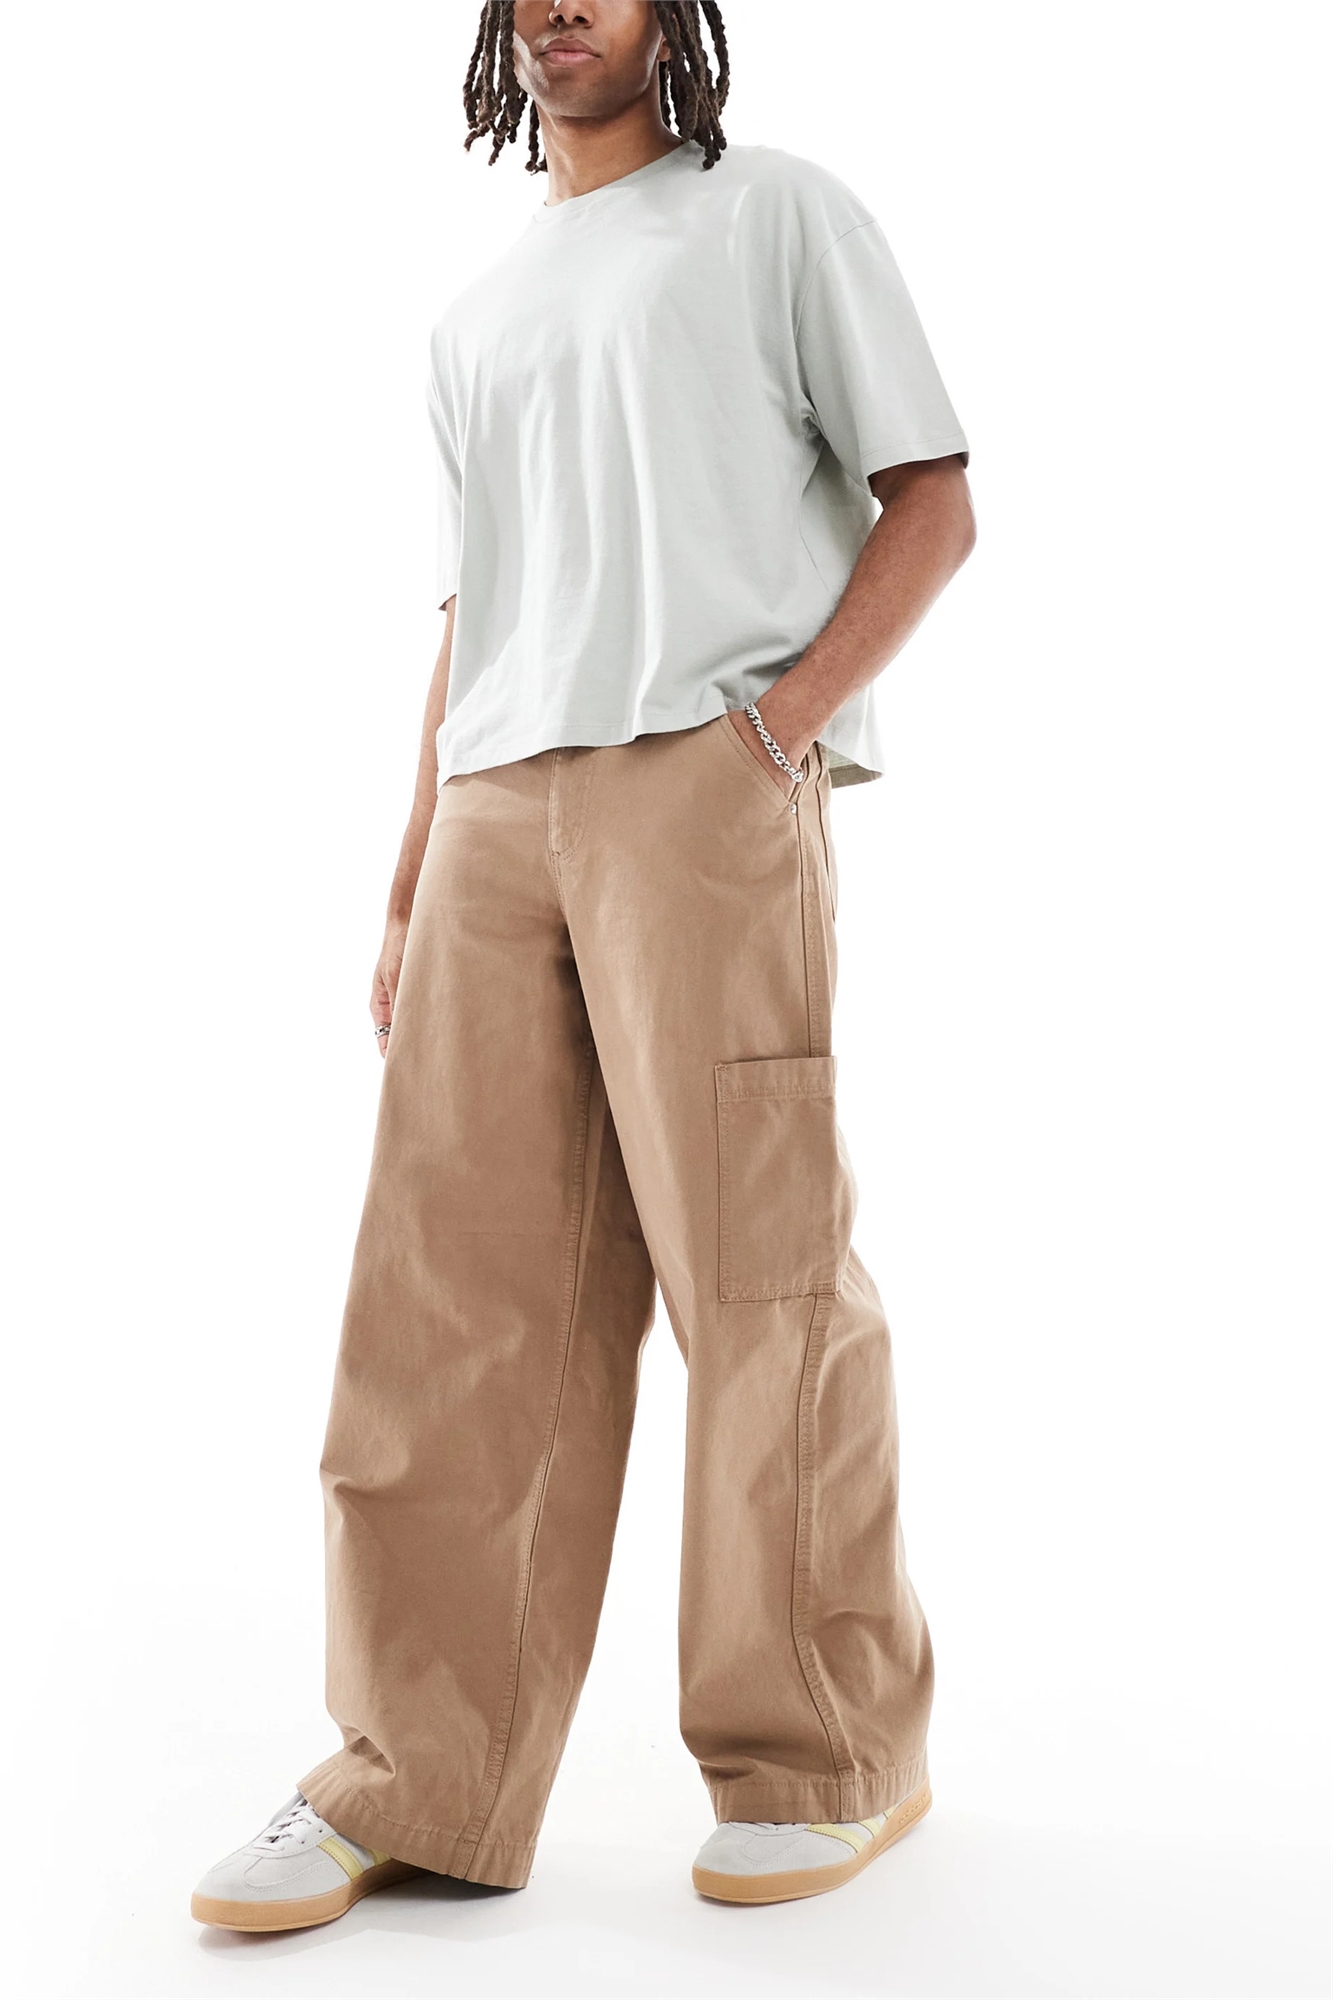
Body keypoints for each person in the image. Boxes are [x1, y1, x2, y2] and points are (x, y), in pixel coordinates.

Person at [192, 0, 974, 1931]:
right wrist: (407, 878)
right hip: (493, 812)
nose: (557, 4)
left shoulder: (773, 213)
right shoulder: (476, 315)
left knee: (756, 1272)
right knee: (444, 1305)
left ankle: (825, 1751)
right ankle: (417, 1774)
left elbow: (934, 500)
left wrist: (776, 731)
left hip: (697, 784)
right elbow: (476, 612)